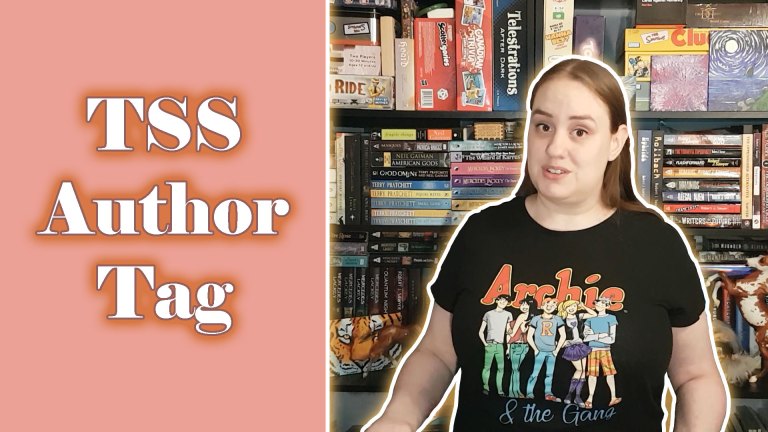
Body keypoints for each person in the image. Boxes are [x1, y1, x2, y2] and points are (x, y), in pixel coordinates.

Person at [362, 56, 727, 432]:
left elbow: (696, 377)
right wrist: (398, 418)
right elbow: (437, 354)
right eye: (543, 126)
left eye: (580, 132)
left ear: (615, 142)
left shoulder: (658, 245)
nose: (555, 148)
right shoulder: (480, 233)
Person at [525, 297, 566, 401]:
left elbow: (563, 335)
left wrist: (556, 350)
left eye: (552, 305)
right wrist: (535, 349)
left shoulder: (557, 319)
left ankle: (548, 393)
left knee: (549, 374)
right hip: (540, 351)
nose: (549, 307)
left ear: (555, 308)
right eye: (547, 305)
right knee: (535, 373)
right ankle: (529, 393)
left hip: (551, 351)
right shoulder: (536, 319)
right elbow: (529, 336)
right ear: (542, 306)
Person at [557, 300, 596, 407]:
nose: (572, 308)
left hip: (581, 346)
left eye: (574, 306)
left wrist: (583, 306)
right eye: (569, 306)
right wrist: (562, 342)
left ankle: (577, 396)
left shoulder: (579, 316)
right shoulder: (562, 319)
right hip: (571, 347)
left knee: (583, 371)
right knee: (579, 369)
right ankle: (569, 394)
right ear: (565, 308)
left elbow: (594, 314)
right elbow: (559, 334)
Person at [478, 295, 514, 396]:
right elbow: (481, 331)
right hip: (490, 344)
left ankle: (500, 390)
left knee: (501, 368)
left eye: (506, 301)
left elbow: (508, 331)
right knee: (487, 367)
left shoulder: (508, 314)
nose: (503, 302)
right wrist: (485, 344)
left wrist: (512, 332)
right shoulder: (488, 314)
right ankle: (486, 387)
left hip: (500, 345)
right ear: (497, 300)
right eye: (502, 300)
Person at [507, 298, 536, 399]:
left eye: (526, 305)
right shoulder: (522, 316)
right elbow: (514, 332)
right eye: (522, 304)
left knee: (517, 369)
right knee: (516, 369)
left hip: (524, 345)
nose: (523, 307)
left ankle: (514, 391)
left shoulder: (531, 317)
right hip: (516, 345)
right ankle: (514, 392)